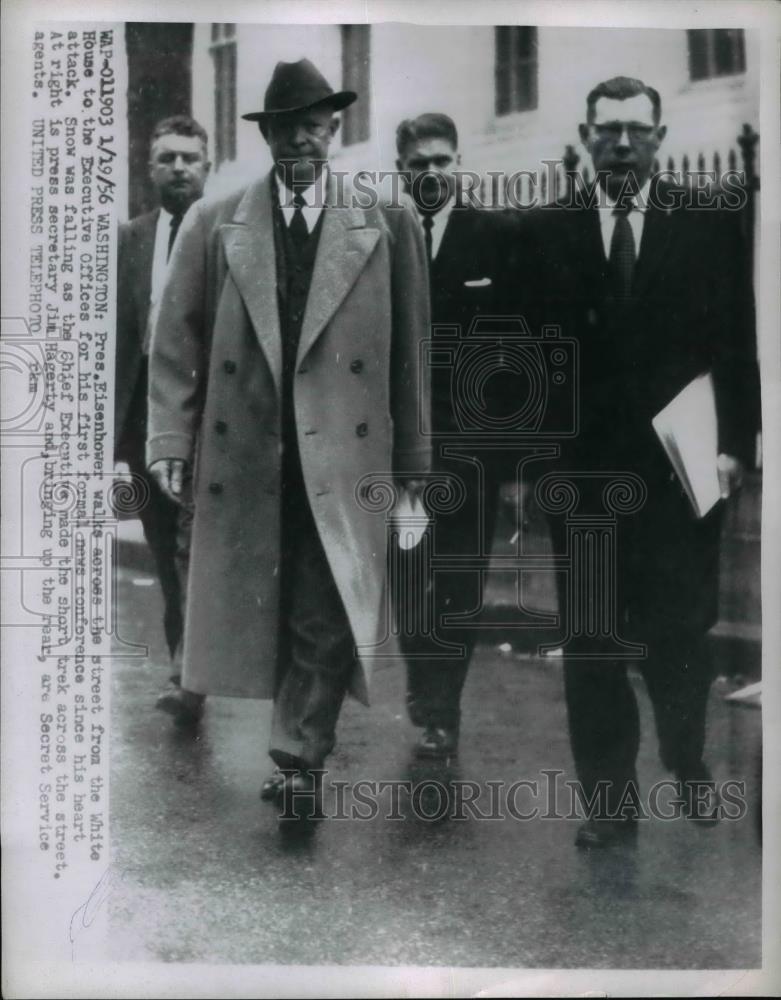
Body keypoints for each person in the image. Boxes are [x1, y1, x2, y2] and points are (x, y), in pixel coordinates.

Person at [146, 59, 430, 823]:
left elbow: (411, 359)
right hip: (250, 455)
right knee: (266, 602)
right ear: (268, 135)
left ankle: (300, 757)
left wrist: (412, 473)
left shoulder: (386, 222)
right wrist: (170, 437)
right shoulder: (217, 223)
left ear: (332, 132)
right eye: (286, 126)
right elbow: (175, 339)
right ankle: (293, 741)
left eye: (315, 124)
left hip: (344, 455)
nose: (301, 138)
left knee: (325, 603)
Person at [525, 77, 758, 847]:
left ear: (659, 137)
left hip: (678, 465)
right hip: (583, 474)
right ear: (586, 135)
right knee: (591, 641)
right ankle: (608, 802)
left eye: (635, 130)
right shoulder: (551, 227)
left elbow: (734, 338)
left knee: (676, 628)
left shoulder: (705, 223)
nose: (621, 144)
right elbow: (529, 354)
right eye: (607, 130)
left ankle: (684, 755)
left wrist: (734, 445)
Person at [394, 113, 522, 759]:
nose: (433, 174)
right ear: (401, 170)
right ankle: (423, 681)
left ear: (458, 164)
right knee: (406, 571)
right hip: (404, 453)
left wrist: (518, 466)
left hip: (473, 451)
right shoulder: (385, 238)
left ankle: (443, 709)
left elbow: (516, 356)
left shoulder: (496, 236)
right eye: (420, 163)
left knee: (459, 582)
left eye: (443, 161)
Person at [114, 115, 210, 723]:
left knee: (192, 545)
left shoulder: (222, 232)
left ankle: (188, 674)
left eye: (189, 159)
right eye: (167, 158)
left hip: (203, 417)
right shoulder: (129, 239)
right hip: (141, 418)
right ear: (150, 169)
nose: (178, 168)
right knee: (160, 540)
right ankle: (183, 661)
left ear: (207, 166)